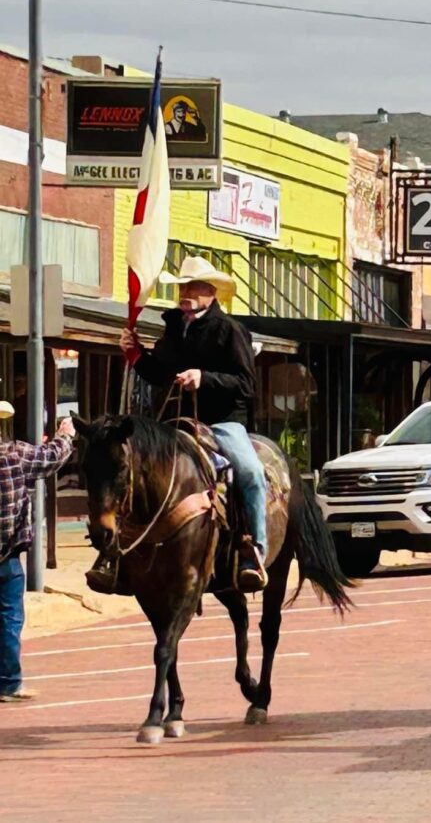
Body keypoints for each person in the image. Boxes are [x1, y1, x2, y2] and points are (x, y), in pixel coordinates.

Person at [95, 255, 268, 593]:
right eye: (183, 286)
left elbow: (246, 383)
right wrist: (137, 356)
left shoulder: (230, 330)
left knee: (251, 473)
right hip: (174, 420)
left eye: (194, 287)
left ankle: (253, 550)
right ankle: (117, 554)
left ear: (211, 292)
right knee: (133, 470)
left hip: (221, 422)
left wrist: (204, 378)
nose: (186, 292)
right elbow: (159, 374)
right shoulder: (173, 327)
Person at [0, 403, 77, 703]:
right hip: (7, 556)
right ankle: (8, 683)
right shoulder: (14, 454)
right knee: (8, 619)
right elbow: (52, 458)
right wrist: (65, 434)